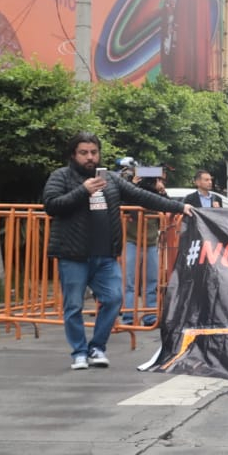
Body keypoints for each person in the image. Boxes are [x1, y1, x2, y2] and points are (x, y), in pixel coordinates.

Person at [42, 133, 193, 370]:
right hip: (73, 255)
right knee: (73, 306)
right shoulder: (61, 176)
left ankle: (97, 347)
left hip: (105, 256)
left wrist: (180, 207)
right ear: (73, 154)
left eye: (94, 152)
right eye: (84, 153)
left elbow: (143, 197)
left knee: (114, 299)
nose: (90, 157)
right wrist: (83, 190)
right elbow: (51, 205)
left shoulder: (110, 180)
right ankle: (79, 352)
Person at [122, 173, 171, 327]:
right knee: (129, 282)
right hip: (131, 242)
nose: (159, 182)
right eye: (157, 180)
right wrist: (134, 184)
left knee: (152, 282)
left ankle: (150, 316)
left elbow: (168, 206)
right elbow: (125, 202)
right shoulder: (133, 193)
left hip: (150, 243)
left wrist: (162, 191)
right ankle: (128, 317)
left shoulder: (157, 196)